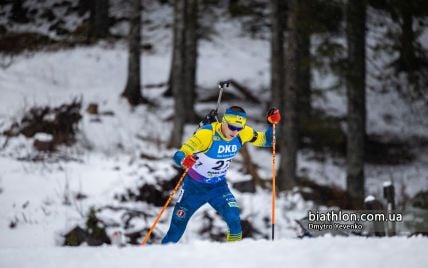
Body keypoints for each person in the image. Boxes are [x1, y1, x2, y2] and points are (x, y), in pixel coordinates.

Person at [161, 106, 281, 244]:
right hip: (194, 188)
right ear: (223, 122)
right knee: (175, 231)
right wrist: (184, 160)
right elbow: (179, 154)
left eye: (239, 128)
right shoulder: (207, 134)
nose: (235, 132)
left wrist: (272, 124)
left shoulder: (243, 133)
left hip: (218, 187)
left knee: (234, 220)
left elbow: (266, 140)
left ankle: (231, 257)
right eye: (232, 127)